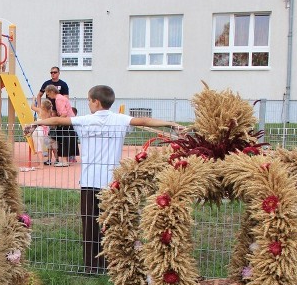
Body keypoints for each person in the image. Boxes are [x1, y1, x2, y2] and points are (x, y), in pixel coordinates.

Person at [26, 85, 183, 274]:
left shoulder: (85, 120)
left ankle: (92, 266)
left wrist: (35, 124)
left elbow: (58, 119)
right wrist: (171, 124)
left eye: (89, 100)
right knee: (112, 224)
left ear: (96, 102)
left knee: (90, 224)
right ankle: (114, 263)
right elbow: (146, 120)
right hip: (112, 183)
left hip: (89, 182)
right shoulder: (120, 119)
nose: (88, 104)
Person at [43, 85, 77, 167]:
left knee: (63, 141)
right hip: (70, 122)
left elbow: (64, 113)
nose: (48, 96)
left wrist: (56, 121)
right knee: (65, 141)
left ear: (52, 92)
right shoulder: (61, 98)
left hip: (66, 123)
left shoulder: (58, 99)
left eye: (48, 94)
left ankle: (64, 161)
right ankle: (65, 160)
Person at [30, 98, 57, 165]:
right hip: (46, 131)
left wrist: (33, 100)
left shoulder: (40, 110)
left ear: (43, 106)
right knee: (50, 145)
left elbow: (32, 107)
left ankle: (41, 164)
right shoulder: (49, 113)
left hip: (39, 129)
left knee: (39, 147)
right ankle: (56, 159)